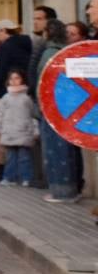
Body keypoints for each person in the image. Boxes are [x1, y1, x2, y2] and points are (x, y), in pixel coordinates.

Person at [37, 19, 81, 202]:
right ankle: (72, 188)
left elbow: (44, 81)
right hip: (67, 108)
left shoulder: (50, 52)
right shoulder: (67, 52)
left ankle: (61, 192)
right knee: (68, 151)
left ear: (48, 33)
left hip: (53, 108)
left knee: (56, 151)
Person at [0, 19, 32, 183]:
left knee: (1, 133)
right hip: (24, 92)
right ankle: (21, 174)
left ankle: (4, 170)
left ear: (4, 31)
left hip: (6, 93)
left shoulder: (7, 47)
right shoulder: (26, 44)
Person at [0, 69, 38, 187]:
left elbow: (33, 115)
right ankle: (9, 177)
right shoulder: (5, 98)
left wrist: (35, 130)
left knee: (25, 157)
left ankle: (26, 178)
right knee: (10, 157)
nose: (14, 81)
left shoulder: (27, 97)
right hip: (9, 132)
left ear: (22, 79)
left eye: (17, 78)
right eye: (11, 79)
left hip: (24, 131)